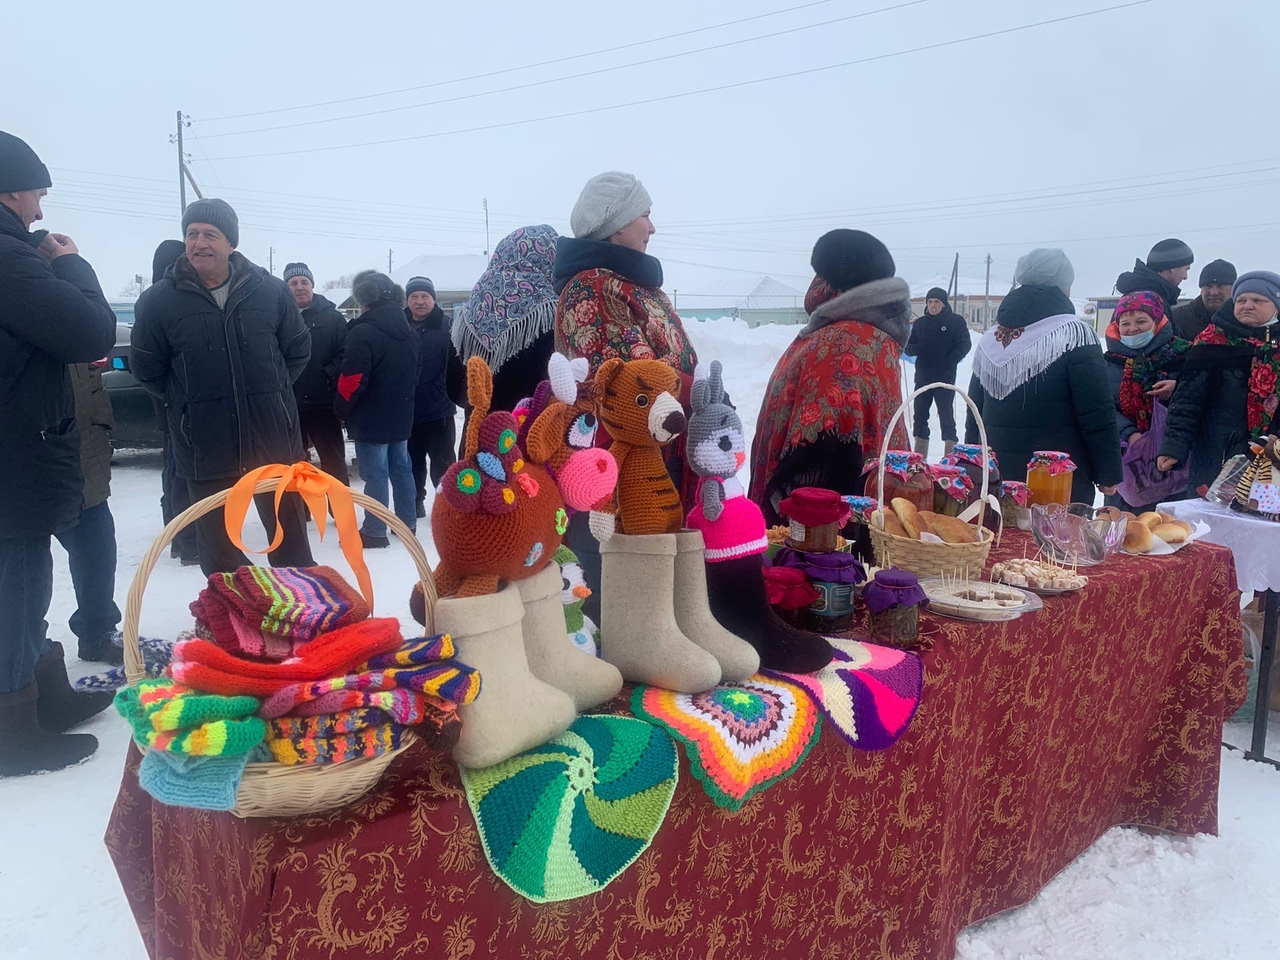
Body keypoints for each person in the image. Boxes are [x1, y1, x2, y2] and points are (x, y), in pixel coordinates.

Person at [0, 131, 118, 776]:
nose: (41, 209)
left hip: (14, 451)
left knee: (19, 583)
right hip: (11, 457)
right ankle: (13, 728)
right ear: (13, 188)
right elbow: (91, 331)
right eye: (38, 192)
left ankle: (41, 694)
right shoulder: (8, 257)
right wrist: (71, 264)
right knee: (15, 586)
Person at [131, 198, 315, 576]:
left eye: (210, 235)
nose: (199, 243)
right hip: (205, 444)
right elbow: (147, 369)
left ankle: (304, 618)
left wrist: (270, 396)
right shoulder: (158, 301)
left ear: (231, 243)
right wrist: (189, 405)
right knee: (220, 555)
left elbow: (297, 352)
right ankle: (237, 625)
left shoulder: (271, 292)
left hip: (272, 440)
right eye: (191, 234)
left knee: (292, 546)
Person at [553, 172, 704, 614]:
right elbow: (627, 382)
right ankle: (615, 660)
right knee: (622, 587)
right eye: (645, 214)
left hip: (658, 452)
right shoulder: (593, 287)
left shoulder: (635, 284)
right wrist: (702, 392)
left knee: (654, 581)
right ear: (615, 222)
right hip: (618, 467)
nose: (652, 227)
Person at [749, 229, 911, 525]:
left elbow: (824, 447)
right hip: (862, 507)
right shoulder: (865, 332)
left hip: (821, 525)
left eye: (819, 274)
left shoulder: (843, 339)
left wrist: (793, 517)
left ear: (836, 283)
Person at [965, 248, 1121, 504]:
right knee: (1056, 541)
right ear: (1064, 287)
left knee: (1001, 542)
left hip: (996, 478)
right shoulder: (1075, 335)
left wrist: (972, 462)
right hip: (1057, 478)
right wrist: (1108, 472)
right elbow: (1096, 411)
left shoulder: (992, 339)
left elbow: (974, 414)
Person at [1159, 271, 1280, 496]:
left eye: (1258, 300)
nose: (1248, 305)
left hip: (1273, 461)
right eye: (1241, 300)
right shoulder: (1211, 343)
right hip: (1217, 455)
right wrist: (1174, 447)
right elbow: (1187, 402)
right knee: (1212, 524)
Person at [335, 271, 420, 549]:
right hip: (402, 414)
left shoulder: (362, 332)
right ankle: (407, 524)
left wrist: (341, 408)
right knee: (402, 469)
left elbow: (352, 379)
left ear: (366, 299)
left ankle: (374, 530)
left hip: (371, 417)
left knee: (376, 474)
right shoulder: (409, 331)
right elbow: (415, 372)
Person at [55, 360, 123, 665]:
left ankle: (97, 632)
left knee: (96, 547)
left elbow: (94, 350)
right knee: (22, 565)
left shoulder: (68, 314)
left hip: (83, 444)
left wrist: (100, 419)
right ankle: (24, 655)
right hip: (21, 449)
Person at [453, 225, 560, 414]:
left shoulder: (470, 308)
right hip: (529, 430)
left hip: (478, 432)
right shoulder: (550, 309)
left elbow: (453, 386)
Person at [1102, 291, 1190, 511]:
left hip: (1175, 463)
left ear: (1158, 322)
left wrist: (1176, 389)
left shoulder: (1184, 356)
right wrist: (1129, 434)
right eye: (1126, 323)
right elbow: (1102, 408)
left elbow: (1200, 397)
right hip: (1128, 463)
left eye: (1141, 321)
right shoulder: (1107, 363)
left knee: (1172, 531)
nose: (1133, 329)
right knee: (1125, 533)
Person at [149, 239, 199, 565]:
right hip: (177, 398)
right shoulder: (164, 304)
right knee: (182, 469)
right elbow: (149, 364)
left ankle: (181, 534)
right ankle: (187, 538)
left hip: (170, 399)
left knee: (175, 465)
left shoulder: (155, 302)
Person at [284, 262, 349, 485]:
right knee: (295, 463)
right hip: (290, 404)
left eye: (304, 282)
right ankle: (301, 513)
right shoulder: (280, 317)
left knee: (334, 461)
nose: (299, 287)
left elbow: (345, 353)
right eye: (293, 283)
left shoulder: (332, 317)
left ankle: (340, 512)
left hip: (324, 403)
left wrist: (326, 375)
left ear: (312, 285)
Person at [403, 276, 458, 515]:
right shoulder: (399, 326)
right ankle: (415, 505)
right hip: (408, 411)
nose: (419, 301)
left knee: (444, 465)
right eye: (414, 296)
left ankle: (449, 509)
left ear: (433, 299)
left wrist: (441, 391)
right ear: (407, 300)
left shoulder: (448, 327)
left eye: (424, 296)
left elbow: (456, 365)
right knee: (411, 464)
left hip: (439, 410)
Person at [903, 286, 972, 458]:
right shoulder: (920, 324)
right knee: (919, 417)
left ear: (944, 304)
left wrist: (949, 360)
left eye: (937, 302)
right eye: (930, 302)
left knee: (946, 417)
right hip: (923, 378)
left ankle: (950, 458)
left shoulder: (955, 321)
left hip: (945, 377)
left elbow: (965, 344)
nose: (933, 305)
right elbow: (908, 347)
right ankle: (919, 460)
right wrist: (920, 349)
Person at [1115, 238, 1194, 316]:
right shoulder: (1148, 301)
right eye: (1186, 269)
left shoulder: (1140, 294)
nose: (1185, 277)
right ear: (1172, 268)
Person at [1170, 259, 1237, 342]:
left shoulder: (1245, 319)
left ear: (1234, 289)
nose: (1214, 292)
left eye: (1221, 285)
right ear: (1201, 290)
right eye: (1208, 286)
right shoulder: (1177, 320)